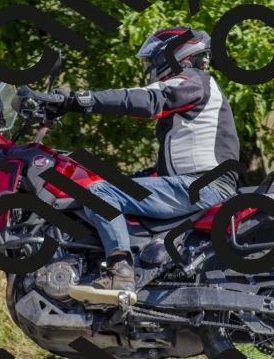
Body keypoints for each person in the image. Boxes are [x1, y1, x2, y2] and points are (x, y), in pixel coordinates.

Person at [50, 26, 240, 295]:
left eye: (151, 61)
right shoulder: (193, 94)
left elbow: (148, 99)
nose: (148, 68)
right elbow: (165, 170)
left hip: (203, 185)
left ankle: (120, 273)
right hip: (194, 183)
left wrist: (79, 100)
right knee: (107, 187)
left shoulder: (194, 80)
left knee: (99, 193)